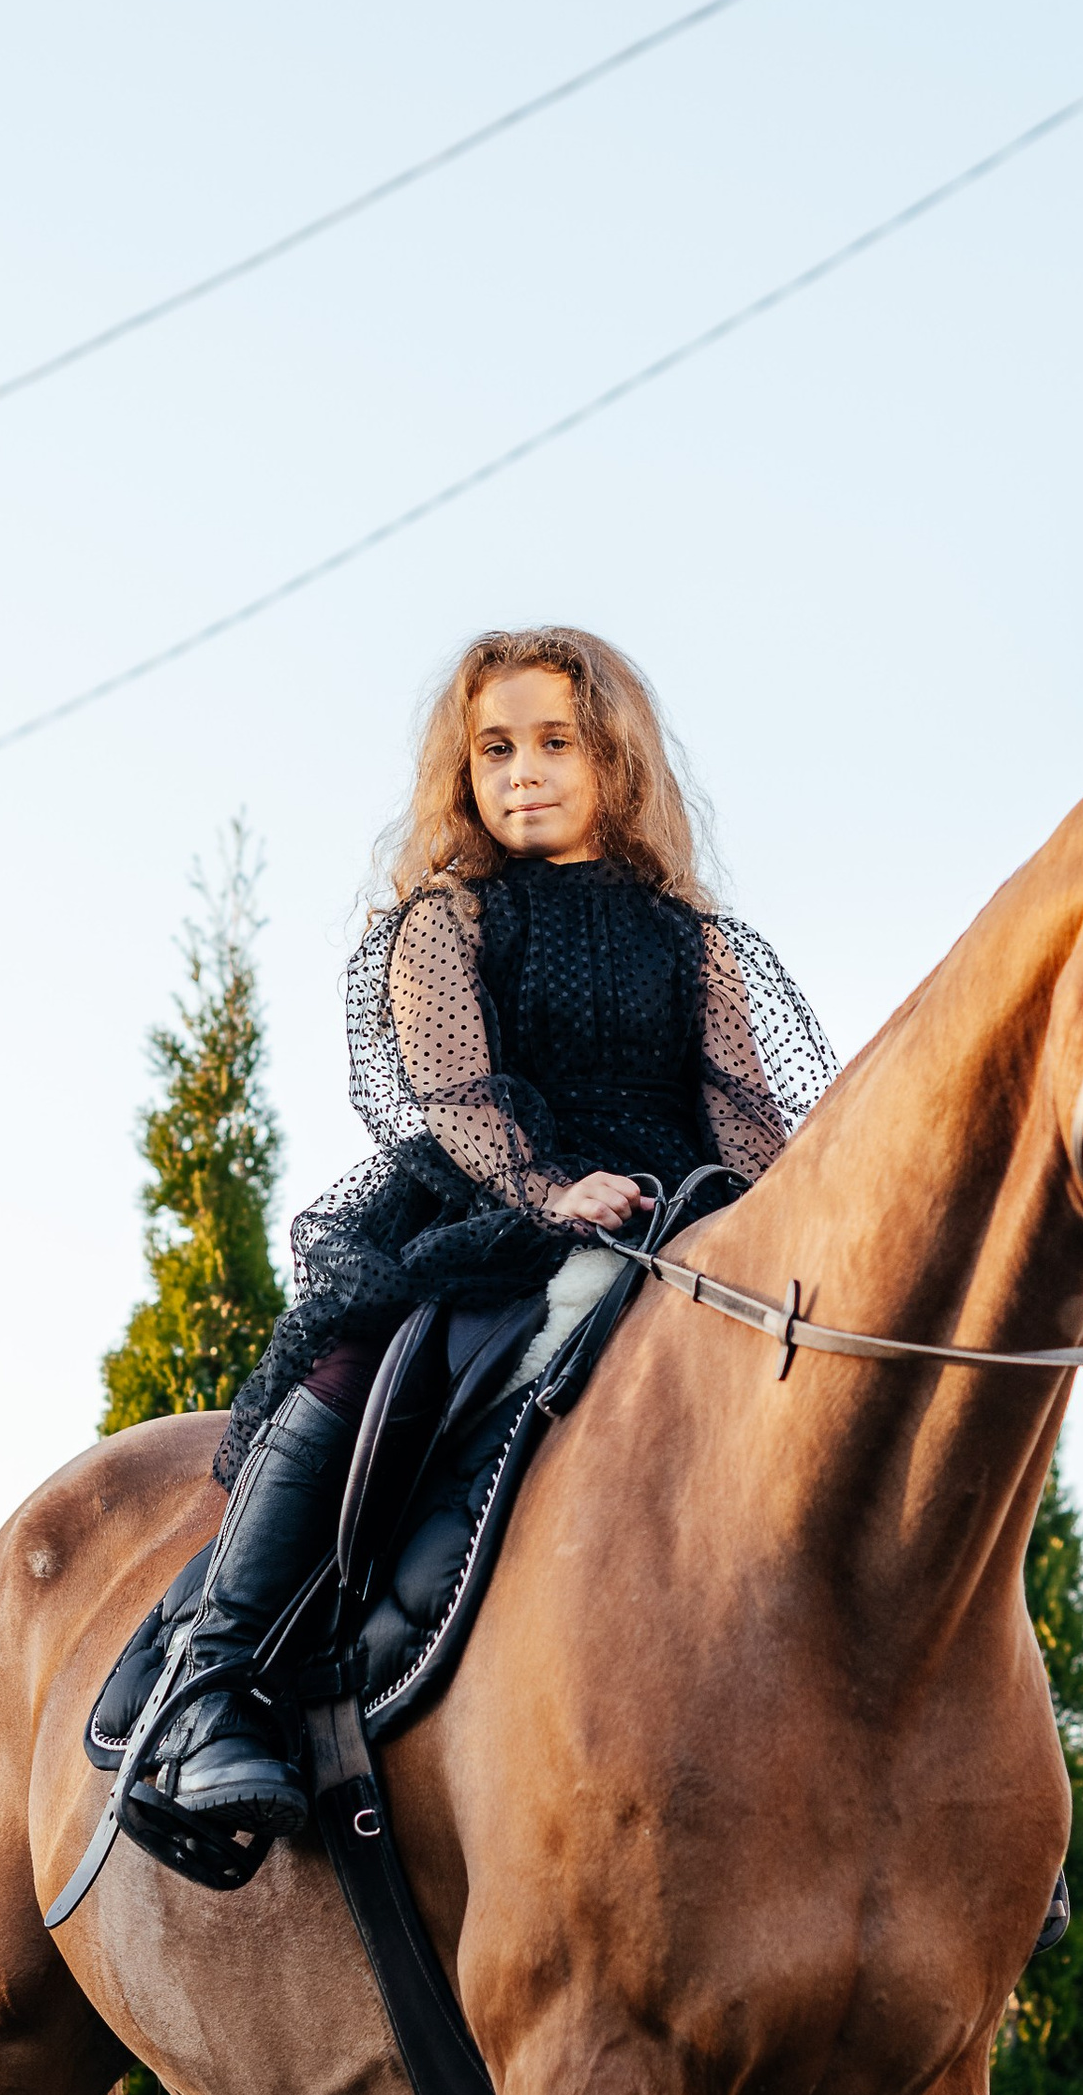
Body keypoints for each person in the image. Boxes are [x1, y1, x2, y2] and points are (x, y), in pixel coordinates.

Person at [121, 623, 837, 1865]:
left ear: (616, 761)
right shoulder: (448, 921)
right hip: (498, 1207)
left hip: (685, 1218)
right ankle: (213, 1678)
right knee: (364, 1366)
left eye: (555, 744)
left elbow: (749, 1114)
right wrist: (549, 1188)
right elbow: (452, 1093)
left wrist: (790, 1230)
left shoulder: (697, 941)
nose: (523, 772)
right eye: (493, 750)